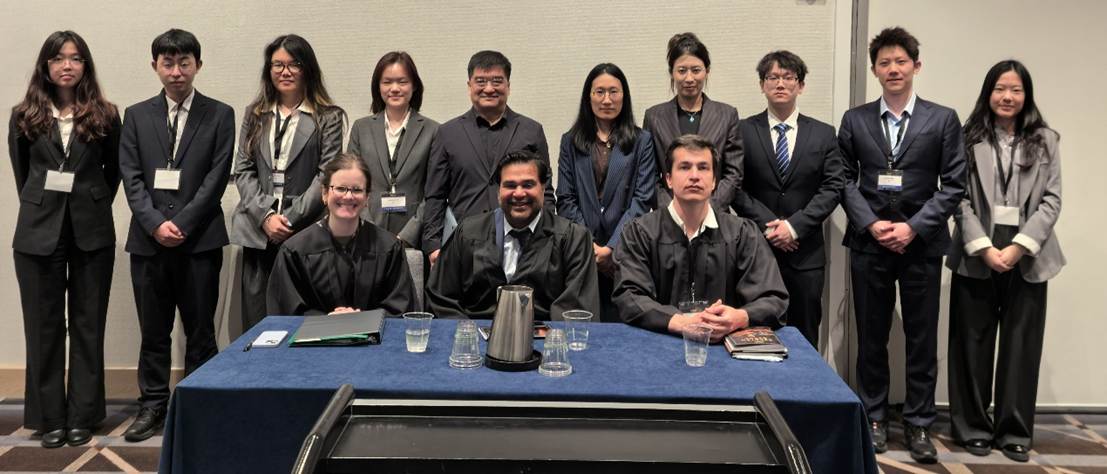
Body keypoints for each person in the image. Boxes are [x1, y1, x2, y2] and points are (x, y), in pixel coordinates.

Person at [837, 27, 965, 463]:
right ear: (874, 70)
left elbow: (954, 184)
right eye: (884, 63)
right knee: (871, 335)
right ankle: (873, 416)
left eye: (901, 61)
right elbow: (843, 179)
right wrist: (871, 223)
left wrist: (913, 227)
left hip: (921, 245)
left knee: (921, 338)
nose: (893, 69)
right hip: (870, 244)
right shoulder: (855, 120)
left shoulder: (942, 119)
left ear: (916, 66)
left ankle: (919, 422)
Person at [118, 29, 235, 442]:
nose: (176, 72)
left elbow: (216, 177)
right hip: (148, 243)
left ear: (198, 65)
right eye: (168, 63)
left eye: (184, 63)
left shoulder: (220, 114)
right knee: (153, 333)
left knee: (200, 331)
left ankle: (199, 407)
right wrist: (154, 223)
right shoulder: (136, 115)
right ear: (155, 66)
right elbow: (131, 176)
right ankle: (152, 405)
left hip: (200, 241)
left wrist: (182, 222)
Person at [946, 60, 1063, 463]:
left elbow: (1052, 200)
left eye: (1016, 89)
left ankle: (1014, 430)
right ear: (988, 93)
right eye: (1000, 89)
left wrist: (1018, 247)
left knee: (1021, 345)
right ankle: (973, 427)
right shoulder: (967, 137)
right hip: (977, 249)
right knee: (971, 343)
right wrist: (983, 246)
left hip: (1028, 253)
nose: (1007, 97)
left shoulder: (1046, 140)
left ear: (1026, 95)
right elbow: (957, 196)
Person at [8, 31, 120, 448]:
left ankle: (83, 415)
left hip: (92, 230)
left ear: (85, 65)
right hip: (38, 232)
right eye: (58, 58)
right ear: (46, 66)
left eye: (75, 58)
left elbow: (113, 173)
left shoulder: (106, 114)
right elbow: (23, 175)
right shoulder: (24, 115)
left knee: (89, 325)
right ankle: (49, 416)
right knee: (44, 327)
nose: (66, 66)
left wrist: (88, 202)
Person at [614, 135, 787, 342]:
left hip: (723, 347)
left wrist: (740, 317)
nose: (694, 176)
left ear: (714, 181)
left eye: (703, 168)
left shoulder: (742, 234)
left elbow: (773, 298)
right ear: (668, 179)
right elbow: (629, 296)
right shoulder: (639, 233)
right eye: (684, 167)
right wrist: (680, 322)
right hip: (659, 343)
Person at [230, 34, 346, 330]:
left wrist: (289, 219)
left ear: (307, 68)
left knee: (303, 322)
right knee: (257, 324)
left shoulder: (328, 117)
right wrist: (266, 216)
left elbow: (326, 175)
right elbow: (243, 170)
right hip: (258, 231)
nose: (285, 71)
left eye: (294, 64)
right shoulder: (255, 114)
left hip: (304, 231)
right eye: (277, 65)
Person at [732, 51, 844, 348]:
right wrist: (772, 226)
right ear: (762, 85)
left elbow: (833, 187)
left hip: (805, 255)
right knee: (755, 336)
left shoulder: (823, 133)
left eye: (788, 77)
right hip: (757, 250)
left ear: (801, 85)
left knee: (805, 334)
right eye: (772, 77)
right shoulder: (742, 130)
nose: (780, 83)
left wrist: (794, 227)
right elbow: (735, 187)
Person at [427, 150, 599, 320]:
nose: (519, 193)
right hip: (475, 332)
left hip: (545, 334)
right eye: (510, 185)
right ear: (498, 191)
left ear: (543, 188)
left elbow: (576, 310)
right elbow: (441, 299)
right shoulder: (468, 233)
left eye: (528, 185)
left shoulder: (573, 238)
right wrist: (467, 332)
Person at [423, 50, 553, 265]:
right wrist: (433, 245)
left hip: (523, 243)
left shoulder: (531, 131)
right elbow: (435, 195)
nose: (489, 88)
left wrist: (547, 237)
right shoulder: (447, 133)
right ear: (469, 86)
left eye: (497, 81)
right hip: (463, 243)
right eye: (481, 81)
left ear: (508, 86)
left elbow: (545, 190)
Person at [556, 63, 656, 321]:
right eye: (599, 92)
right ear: (588, 96)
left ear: (624, 96)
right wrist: (589, 246)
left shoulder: (642, 141)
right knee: (582, 322)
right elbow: (565, 198)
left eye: (614, 91)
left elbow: (642, 200)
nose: (607, 99)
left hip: (625, 252)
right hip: (582, 252)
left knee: (624, 324)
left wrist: (612, 247)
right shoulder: (570, 141)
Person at [267, 153, 416, 316]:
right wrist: (329, 321)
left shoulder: (389, 248)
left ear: (367, 198)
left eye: (357, 190)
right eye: (340, 188)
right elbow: (285, 312)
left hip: (374, 333)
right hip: (314, 332)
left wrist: (361, 319)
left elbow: (401, 309)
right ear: (324, 193)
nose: (348, 196)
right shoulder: (294, 251)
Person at [348, 51, 438, 249]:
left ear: (414, 86)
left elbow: (433, 191)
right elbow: (352, 183)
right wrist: (369, 230)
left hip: (413, 237)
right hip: (366, 234)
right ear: (378, 87)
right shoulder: (361, 128)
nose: (395, 88)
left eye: (402, 82)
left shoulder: (433, 131)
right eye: (387, 82)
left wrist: (407, 236)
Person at [643, 32, 742, 210]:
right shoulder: (654, 117)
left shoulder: (727, 115)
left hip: (715, 215)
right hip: (669, 216)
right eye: (682, 71)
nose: (689, 78)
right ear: (672, 73)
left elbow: (733, 174)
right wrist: (673, 211)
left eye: (696, 70)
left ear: (707, 71)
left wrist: (707, 210)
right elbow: (649, 176)